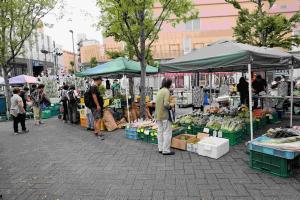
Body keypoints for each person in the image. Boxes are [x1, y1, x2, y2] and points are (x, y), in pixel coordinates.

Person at [155, 78, 175, 156]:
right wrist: (171, 106)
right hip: (165, 115)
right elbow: (166, 104)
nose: (171, 85)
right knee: (167, 132)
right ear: (168, 84)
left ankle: (160, 148)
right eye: (171, 83)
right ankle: (166, 150)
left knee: (160, 132)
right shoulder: (166, 91)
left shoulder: (159, 91)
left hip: (158, 115)